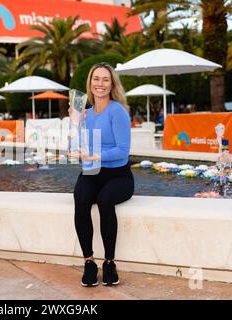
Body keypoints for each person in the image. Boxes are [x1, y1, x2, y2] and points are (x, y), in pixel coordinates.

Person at [73, 62, 134, 287]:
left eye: (105, 79)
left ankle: (109, 262)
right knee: (80, 198)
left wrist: (95, 155)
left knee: (105, 199)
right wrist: (74, 126)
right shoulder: (85, 114)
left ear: (112, 84)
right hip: (92, 172)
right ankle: (89, 262)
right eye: (96, 79)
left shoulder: (117, 111)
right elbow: (81, 148)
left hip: (118, 175)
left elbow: (122, 150)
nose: (100, 84)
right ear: (90, 83)